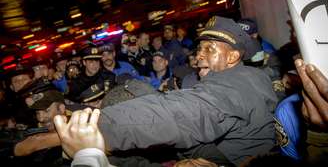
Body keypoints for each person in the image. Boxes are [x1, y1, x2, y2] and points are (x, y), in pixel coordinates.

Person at [98, 16, 278, 166]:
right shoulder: (249, 75)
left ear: (233, 56)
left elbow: (181, 115)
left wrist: (95, 127)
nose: (199, 55)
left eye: (209, 49)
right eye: (200, 48)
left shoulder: (233, 87)